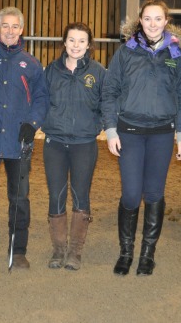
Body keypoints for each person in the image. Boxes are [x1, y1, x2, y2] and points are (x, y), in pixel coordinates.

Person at [102, 0, 181, 276]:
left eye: (158, 19)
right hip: (129, 132)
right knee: (130, 194)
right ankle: (126, 252)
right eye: (147, 18)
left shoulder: (176, 54)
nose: (152, 24)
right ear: (140, 21)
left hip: (162, 134)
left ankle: (147, 254)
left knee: (154, 194)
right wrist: (111, 130)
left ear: (166, 21)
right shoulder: (125, 53)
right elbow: (110, 92)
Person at [0, 7, 48, 270]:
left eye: (15, 26)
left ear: (22, 30)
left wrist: (33, 123)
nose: (10, 31)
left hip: (19, 141)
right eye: (5, 26)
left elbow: (41, 98)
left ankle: (19, 251)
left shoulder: (32, 63)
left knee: (20, 199)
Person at [41, 22, 106, 271]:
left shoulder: (98, 73)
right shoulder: (50, 71)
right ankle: (58, 250)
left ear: (89, 45)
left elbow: (107, 103)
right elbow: (41, 100)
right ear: (64, 42)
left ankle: (75, 251)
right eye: (71, 40)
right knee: (56, 193)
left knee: (81, 194)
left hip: (84, 144)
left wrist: (95, 126)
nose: (76, 45)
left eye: (81, 41)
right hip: (54, 143)